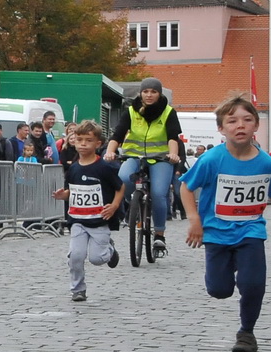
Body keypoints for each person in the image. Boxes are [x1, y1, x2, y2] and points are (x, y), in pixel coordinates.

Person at [179, 96, 271, 352]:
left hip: (250, 231)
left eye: (247, 120)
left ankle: (247, 332)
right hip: (217, 233)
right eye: (232, 121)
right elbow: (186, 187)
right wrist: (194, 220)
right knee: (219, 290)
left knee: (254, 284)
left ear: (256, 126)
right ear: (221, 129)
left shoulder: (266, 162)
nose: (240, 125)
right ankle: (227, 270)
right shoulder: (211, 159)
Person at [105, 78, 182, 258]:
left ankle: (159, 235)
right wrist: (110, 152)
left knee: (158, 193)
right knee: (123, 178)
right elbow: (117, 134)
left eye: (153, 92)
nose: (149, 95)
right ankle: (132, 205)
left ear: (159, 94)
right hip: (134, 156)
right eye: (145, 91)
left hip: (160, 159)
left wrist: (173, 154)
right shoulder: (131, 111)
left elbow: (173, 137)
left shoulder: (168, 112)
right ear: (140, 93)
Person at [52, 121, 124, 302]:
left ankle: (110, 249)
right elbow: (72, 190)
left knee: (97, 259)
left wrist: (114, 206)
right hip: (78, 220)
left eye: (88, 140)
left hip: (99, 220)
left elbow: (120, 187)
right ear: (73, 141)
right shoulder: (73, 168)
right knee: (76, 256)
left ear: (98, 144)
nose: (83, 144)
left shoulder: (105, 167)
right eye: (79, 140)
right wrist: (63, 195)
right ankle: (78, 289)